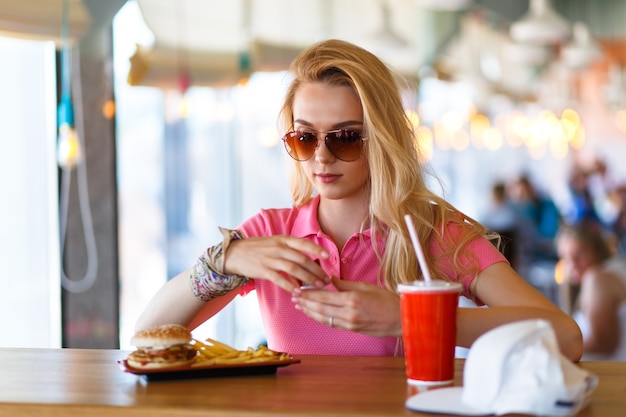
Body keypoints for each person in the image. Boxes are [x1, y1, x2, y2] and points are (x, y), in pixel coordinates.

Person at [135, 39, 582, 361]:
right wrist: (226, 260)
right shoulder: (269, 235)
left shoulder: (432, 234)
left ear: (382, 139)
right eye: (305, 137)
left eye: (346, 138)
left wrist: (412, 318)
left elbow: (565, 337)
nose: (323, 156)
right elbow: (147, 332)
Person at [556, 221, 626, 361]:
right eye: (566, 258)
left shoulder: (597, 278)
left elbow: (604, 343)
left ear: (597, 251)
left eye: (579, 255)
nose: (573, 265)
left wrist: (552, 347)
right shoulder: (609, 272)